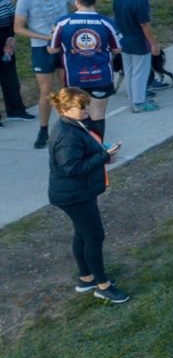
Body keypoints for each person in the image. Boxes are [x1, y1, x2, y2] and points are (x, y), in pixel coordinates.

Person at [48, 86, 129, 304]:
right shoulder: (67, 135)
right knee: (94, 236)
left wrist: (103, 154)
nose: (86, 109)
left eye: (86, 104)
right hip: (75, 195)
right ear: (65, 109)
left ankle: (86, 278)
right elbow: (71, 168)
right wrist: (103, 156)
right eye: (80, 106)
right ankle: (103, 286)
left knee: (83, 234)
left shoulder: (72, 125)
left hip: (74, 192)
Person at [48, 0, 121, 138]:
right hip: (101, 76)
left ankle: (80, 148)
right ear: (95, 1)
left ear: (76, 1)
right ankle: (98, 148)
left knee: (75, 115)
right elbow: (117, 49)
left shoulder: (62, 22)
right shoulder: (106, 22)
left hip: (74, 77)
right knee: (98, 113)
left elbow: (53, 49)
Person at [17, 0, 74, 148]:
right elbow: (18, 28)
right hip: (41, 46)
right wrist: (46, 37)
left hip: (63, 44)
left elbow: (79, 9)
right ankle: (43, 130)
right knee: (46, 90)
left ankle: (71, 126)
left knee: (67, 85)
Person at [112, 0, 161, 113]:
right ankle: (139, 102)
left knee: (129, 71)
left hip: (123, 40)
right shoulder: (138, 2)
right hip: (138, 41)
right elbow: (144, 25)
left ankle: (133, 99)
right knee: (140, 72)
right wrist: (153, 43)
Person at [0, 0, 36, 124]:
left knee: (11, 80)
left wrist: (10, 41)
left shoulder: (5, 1)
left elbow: (13, 21)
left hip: (6, 45)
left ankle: (15, 110)